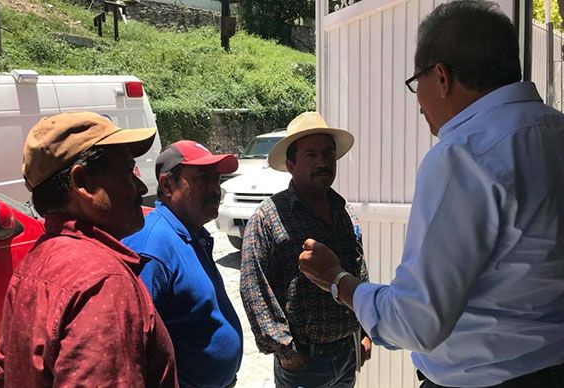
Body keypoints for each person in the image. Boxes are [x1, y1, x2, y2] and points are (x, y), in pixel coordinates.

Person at [298, 1, 564, 388]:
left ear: (441, 77)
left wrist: (338, 281)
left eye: (415, 82)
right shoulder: (554, 132)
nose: (419, 104)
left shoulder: (464, 156)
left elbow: (416, 321)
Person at [0, 111, 178, 387]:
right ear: (83, 183)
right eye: (126, 172)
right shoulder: (102, 282)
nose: (140, 186)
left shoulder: (36, 261)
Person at [240, 111, 370, 388]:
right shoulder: (268, 217)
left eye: (328, 153)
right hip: (303, 364)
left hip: (346, 353)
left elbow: (358, 270)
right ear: (290, 164)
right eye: (310, 155)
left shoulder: (344, 211)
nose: (322, 162)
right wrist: (284, 348)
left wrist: (364, 330)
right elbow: (254, 287)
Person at [123, 140, 243, 388]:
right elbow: (134, 348)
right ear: (167, 185)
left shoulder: (192, 233)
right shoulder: (152, 248)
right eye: (202, 178)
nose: (214, 189)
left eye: (216, 179)